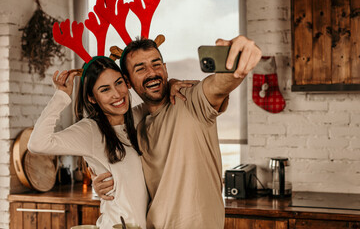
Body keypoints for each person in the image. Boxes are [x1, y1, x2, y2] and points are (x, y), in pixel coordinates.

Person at [92, 35, 262, 228]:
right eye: (140, 69)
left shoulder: (189, 101)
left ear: (165, 69)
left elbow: (219, 84)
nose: (152, 72)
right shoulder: (136, 129)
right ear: (128, 82)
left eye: (156, 64)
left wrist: (237, 61)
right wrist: (100, 184)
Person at [27, 56, 193, 229]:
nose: (117, 94)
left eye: (119, 83)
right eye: (105, 89)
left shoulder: (138, 116)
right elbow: (37, 143)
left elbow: (161, 97)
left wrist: (172, 82)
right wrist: (61, 96)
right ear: (92, 97)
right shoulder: (90, 130)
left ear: (127, 83)